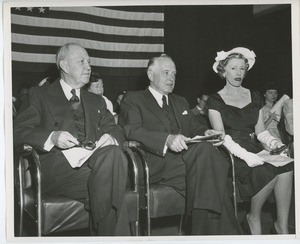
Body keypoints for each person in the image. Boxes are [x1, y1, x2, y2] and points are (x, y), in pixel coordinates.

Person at [13, 43, 131, 236]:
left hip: (98, 164)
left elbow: (116, 129)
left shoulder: (97, 101)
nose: (89, 66)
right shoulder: (39, 95)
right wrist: (52, 136)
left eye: (89, 62)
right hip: (58, 171)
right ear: (65, 66)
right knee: (112, 184)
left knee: (113, 155)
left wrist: (111, 138)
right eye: (82, 61)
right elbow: (17, 132)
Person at [119, 54, 241, 235]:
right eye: (166, 72)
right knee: (213, 170)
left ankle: (206, 235)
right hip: (155, 162)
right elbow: (131, 130)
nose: (171, 78)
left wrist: (206, 132)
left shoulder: (180, 101)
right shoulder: (134, 99)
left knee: (206, 158)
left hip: (189, 160)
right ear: (151, 75)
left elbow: (195, 126)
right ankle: (224, 235)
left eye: (174, 74)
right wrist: (166, 139)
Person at [207, 47, 294, 235]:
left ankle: (282, 226)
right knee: (267, 170)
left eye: (242, 68)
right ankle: (253, 217)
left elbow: (261, 131)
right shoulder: (214, 101)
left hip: (253, 147)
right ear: (223, 71)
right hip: (231, 152)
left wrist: (274, 144)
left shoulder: (254, 95)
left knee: (287, 166)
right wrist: (245, 156)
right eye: (233, 68)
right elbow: (221, 137)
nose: (238, 73)